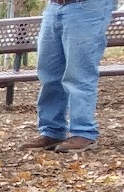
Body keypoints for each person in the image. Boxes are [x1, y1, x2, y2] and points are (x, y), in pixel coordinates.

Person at [26, 0, 118, 152]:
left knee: (79, 74)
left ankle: (83, 132)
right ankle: (52, 131)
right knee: (49, 74)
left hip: (86, 7)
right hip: (54, 7)